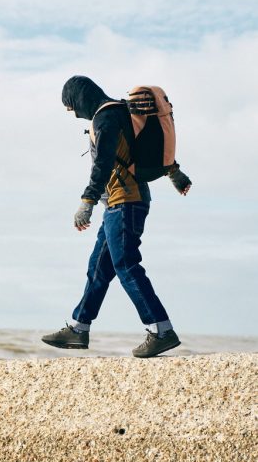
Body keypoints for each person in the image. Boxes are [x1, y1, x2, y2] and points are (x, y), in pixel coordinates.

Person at [42, 76, 192, 358]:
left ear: (79, 98)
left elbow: (104, 161)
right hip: (119, 203)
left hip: (126, 202)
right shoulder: (121, 111)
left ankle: (161, 331)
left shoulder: (106, 117)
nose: (70, 112)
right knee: (98, 268)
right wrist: (174, 173)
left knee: (126, 264)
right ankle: (78, 327)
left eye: (69, 105)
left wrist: (86, 201)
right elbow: (140, 150)